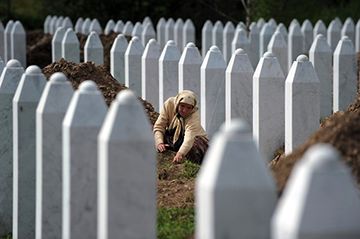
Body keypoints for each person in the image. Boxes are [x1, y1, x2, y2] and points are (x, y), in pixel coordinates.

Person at [153, 90, 209, 164]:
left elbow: (189, 138)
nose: (184, 110)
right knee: (150, 130)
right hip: (175, 136)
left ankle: (192, 164)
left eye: (188, 108)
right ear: (177, 103)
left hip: (194, 139)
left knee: (194, 147)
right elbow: (159, 126)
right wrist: (159, 143)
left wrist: (181, 153)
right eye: (182, 106)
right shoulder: (169, 104)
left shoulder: (193, 116)